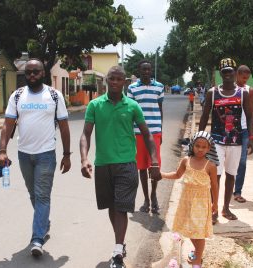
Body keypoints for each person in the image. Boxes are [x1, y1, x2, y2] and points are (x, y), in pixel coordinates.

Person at [80, 66, 161, 268]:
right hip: (103, 164)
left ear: (125, 82)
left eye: (119, 79)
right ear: (106, 80)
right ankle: (120, 242)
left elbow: (147, 134)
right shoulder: (95, 105)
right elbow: (86, 134)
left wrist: (154, 161)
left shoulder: (132, 106)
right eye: (111, 79)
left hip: (126, 164)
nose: (115, 82)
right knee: (112, 206)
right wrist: (84, 159)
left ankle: (117, 252)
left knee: (122, 207)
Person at [0, 59, 71, 257]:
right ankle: (44, 223)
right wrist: (2, 150)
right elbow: (8, 124)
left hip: (46, 154)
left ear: (43, 73)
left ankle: (37, 239)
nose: (31, 76)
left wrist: (66, 155)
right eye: (28, 72)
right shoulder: (18, 95)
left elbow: (64, 126)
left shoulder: (54, 96)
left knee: (43, 195)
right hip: (24, 154)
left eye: (35, 72)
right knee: (33, 194)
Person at [198, 58, 253, 224]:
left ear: (235, 72)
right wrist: (199, 137)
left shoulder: (243, 93)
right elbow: (204, 116)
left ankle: (226, 208)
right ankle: (213, 209)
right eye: (224, 72)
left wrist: (251, 138)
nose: (228, 74)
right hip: (216, 141)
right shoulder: (212, 93)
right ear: (221, 73)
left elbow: (250, 116)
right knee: (215, 176)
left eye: (230, 71)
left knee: (231, 174)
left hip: (237, 141)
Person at [161, 131, 218, 268]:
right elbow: (176, 174)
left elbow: (215, 185)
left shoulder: (210, 165)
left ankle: (197, 259)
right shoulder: (186, 161)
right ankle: (197, 253)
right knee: (188, 230)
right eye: (197, 145)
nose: (200, 149)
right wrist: (162, 174)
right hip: (186, 201)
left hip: (201, 204)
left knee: (198, 232)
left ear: (209, 148)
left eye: (204, 147)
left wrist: (215, 202)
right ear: (192, 145)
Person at [127, 60, 164, 214]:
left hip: (155, 131)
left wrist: (162, 131)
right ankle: (146, 199)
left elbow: (160, 110)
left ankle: (154, 195)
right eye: (143, 70)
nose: (146, 72)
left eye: (148, 69)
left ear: (151, 71)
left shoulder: (159, 87)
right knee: (141, 167)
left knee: (154, 166)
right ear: (139, 70)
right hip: (137, 132)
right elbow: (129, 111)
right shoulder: (131, 88)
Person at [233, 65, 253, 203]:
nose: (245, 80)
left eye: (247, 78)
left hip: (245, 129)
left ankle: (237, 191)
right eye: (243, 77)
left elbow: (251, 112)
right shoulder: (230, 89)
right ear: (237, 75)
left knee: (242, 162)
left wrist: (252, 135)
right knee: (230, 161)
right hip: (231, 130)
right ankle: (229, 188)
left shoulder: (249, 90)